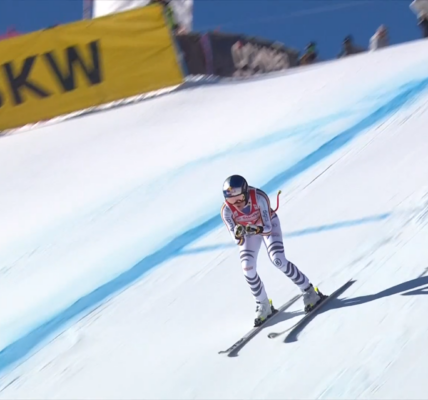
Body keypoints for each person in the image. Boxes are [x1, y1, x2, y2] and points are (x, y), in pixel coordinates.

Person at [220, 175, 325, 327]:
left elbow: (268, 228)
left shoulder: (259, 197)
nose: (237, 204)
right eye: (231, 200)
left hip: (267, 225)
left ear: (246, 193)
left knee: (278, 259)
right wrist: (239, 233)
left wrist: (254, 228)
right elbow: (237, 240)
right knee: (247, 268)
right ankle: (263, 304)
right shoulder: (226, 210)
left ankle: (309, 291)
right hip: (249, 233)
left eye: (240, 199)